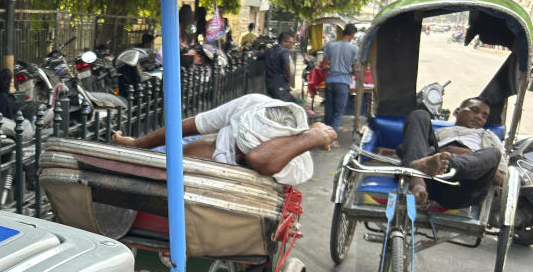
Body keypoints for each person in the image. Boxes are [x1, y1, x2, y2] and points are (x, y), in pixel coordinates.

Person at [112, 94, 337, 185]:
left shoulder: (295, 165)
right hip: (191, 148)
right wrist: (136, 145)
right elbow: (192, 125)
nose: (241, 155)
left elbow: (258, 158)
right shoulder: (253, 104)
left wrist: (315, 135)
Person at [399, 97, 506, 208]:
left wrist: (465, 154)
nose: (479, 117)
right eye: (474, 110)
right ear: (457, 111)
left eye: (484, 116)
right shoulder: (439, 132)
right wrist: (440, 153)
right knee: (419, 115)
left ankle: (443, 164)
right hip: (428, 177)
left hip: (461, 187)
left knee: (494, 153)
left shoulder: (490, 137)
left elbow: (500, 179)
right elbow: (413, 147)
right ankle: (417, 179)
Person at [321, 23, 359, 133]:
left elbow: (323, 66)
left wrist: (332, 68)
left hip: (330, 81)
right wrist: (354, 75)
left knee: (329, 110)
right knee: (338, 112)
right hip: (343, 82)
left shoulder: (331, 46)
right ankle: (332, 138)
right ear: (352, 35)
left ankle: (325, 136)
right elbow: (355, 68)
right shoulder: (354, 49)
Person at [264, 32, 296, 102]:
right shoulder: (284, 51)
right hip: (280, 86)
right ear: (284, 41)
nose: (291, 45)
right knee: (293, 106)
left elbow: (259, 57)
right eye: (291, 42)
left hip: (269, 86)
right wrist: (288, 77)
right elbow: (286, 63)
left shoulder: (269, 50)